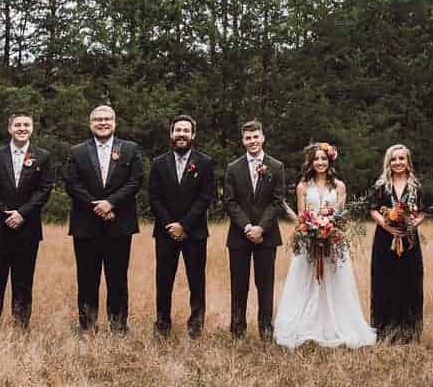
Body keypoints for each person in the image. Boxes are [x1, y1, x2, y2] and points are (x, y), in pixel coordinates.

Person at [274, 142, 376, 348]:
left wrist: (329, 230)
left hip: (332, 241)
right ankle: (304, 326)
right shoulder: (303, 186)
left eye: (324, 159)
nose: (320, 162)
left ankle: (335, 326)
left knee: (334, 282)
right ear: (311, 162)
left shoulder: (339, 186)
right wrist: (310, 231)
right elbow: (301, 216)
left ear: (330, 161)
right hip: (308, 242)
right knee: (307, 282)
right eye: (316, 159)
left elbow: (340, 216)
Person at [64, 105, 143, 333]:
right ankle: (87, 327)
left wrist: (111, 203)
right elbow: (72, 184)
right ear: (91, 124)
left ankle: (118, 328)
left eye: (107, 119)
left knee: (117, 280)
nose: (103, 123)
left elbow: (135, 181)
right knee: (87, 279)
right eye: (98, 119)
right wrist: (96, 206)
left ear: (115, 123)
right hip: (85, 226)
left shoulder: (130, 149)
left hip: (119, 224)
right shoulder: (77, 152)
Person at [0, 112, 55, 338]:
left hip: (27, 230)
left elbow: (44, 191)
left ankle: (20, 330)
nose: (22, 128)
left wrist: (22, 214)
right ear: (9, 128)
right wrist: (5, 214)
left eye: (26, 124)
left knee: (23, 283)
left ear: (32, 128)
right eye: (18, 124)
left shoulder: (43, 157)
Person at [147, 114, 215, 338]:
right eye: (178, 130)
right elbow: (154, 198)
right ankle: (162, 324)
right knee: (163, 280)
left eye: (186, 131)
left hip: (194, 233)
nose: (182, 134)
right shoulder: (158, 163)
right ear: (171, 133)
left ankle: (196, 325)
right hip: (165, 232)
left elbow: (205, 197)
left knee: (196, 281)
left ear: (193, 135)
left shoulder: (205, 163)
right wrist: (170, 224)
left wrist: (184, 225)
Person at [222, 119, 286, 340]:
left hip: (267, 236)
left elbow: (277, 201)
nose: (252, 141)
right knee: (239, 284)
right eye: (248, 138)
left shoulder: (276, 167)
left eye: (255, 136)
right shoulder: (233, 168)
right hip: (239, 235)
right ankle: (237, 330)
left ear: (263, 138)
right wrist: (247, 226)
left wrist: (261, 228)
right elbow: (229, 201)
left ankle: (266, 330)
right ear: (243, 141)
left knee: (265, 285)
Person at [368, 143, 426, 344]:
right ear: (388, 162)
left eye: (402, 158)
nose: (398, 162)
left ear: (408, 161)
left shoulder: (415, 187)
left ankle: (408, 331)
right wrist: (387, 225)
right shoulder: (381, 185)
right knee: (385, 281)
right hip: (385, 239)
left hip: (409, 240)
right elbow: (373, 209)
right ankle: (384, 329)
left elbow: (422, 213)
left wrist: (412, 224)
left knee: (409, 281)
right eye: (394, 159)